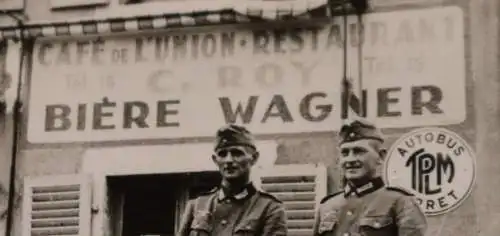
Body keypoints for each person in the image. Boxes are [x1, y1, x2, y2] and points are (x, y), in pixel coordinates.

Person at [313, 118, 427, 236]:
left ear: (381, 156)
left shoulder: (400, 202)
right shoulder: (327, 206)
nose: (350, 159)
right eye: (345, 153)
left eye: (359, 151)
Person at [177, 124, 287, 236]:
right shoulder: (197, 205)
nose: (228, 160)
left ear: (254, 158)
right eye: (222, 154)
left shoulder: (270, 208)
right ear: (215, 160)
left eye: (237, 153)